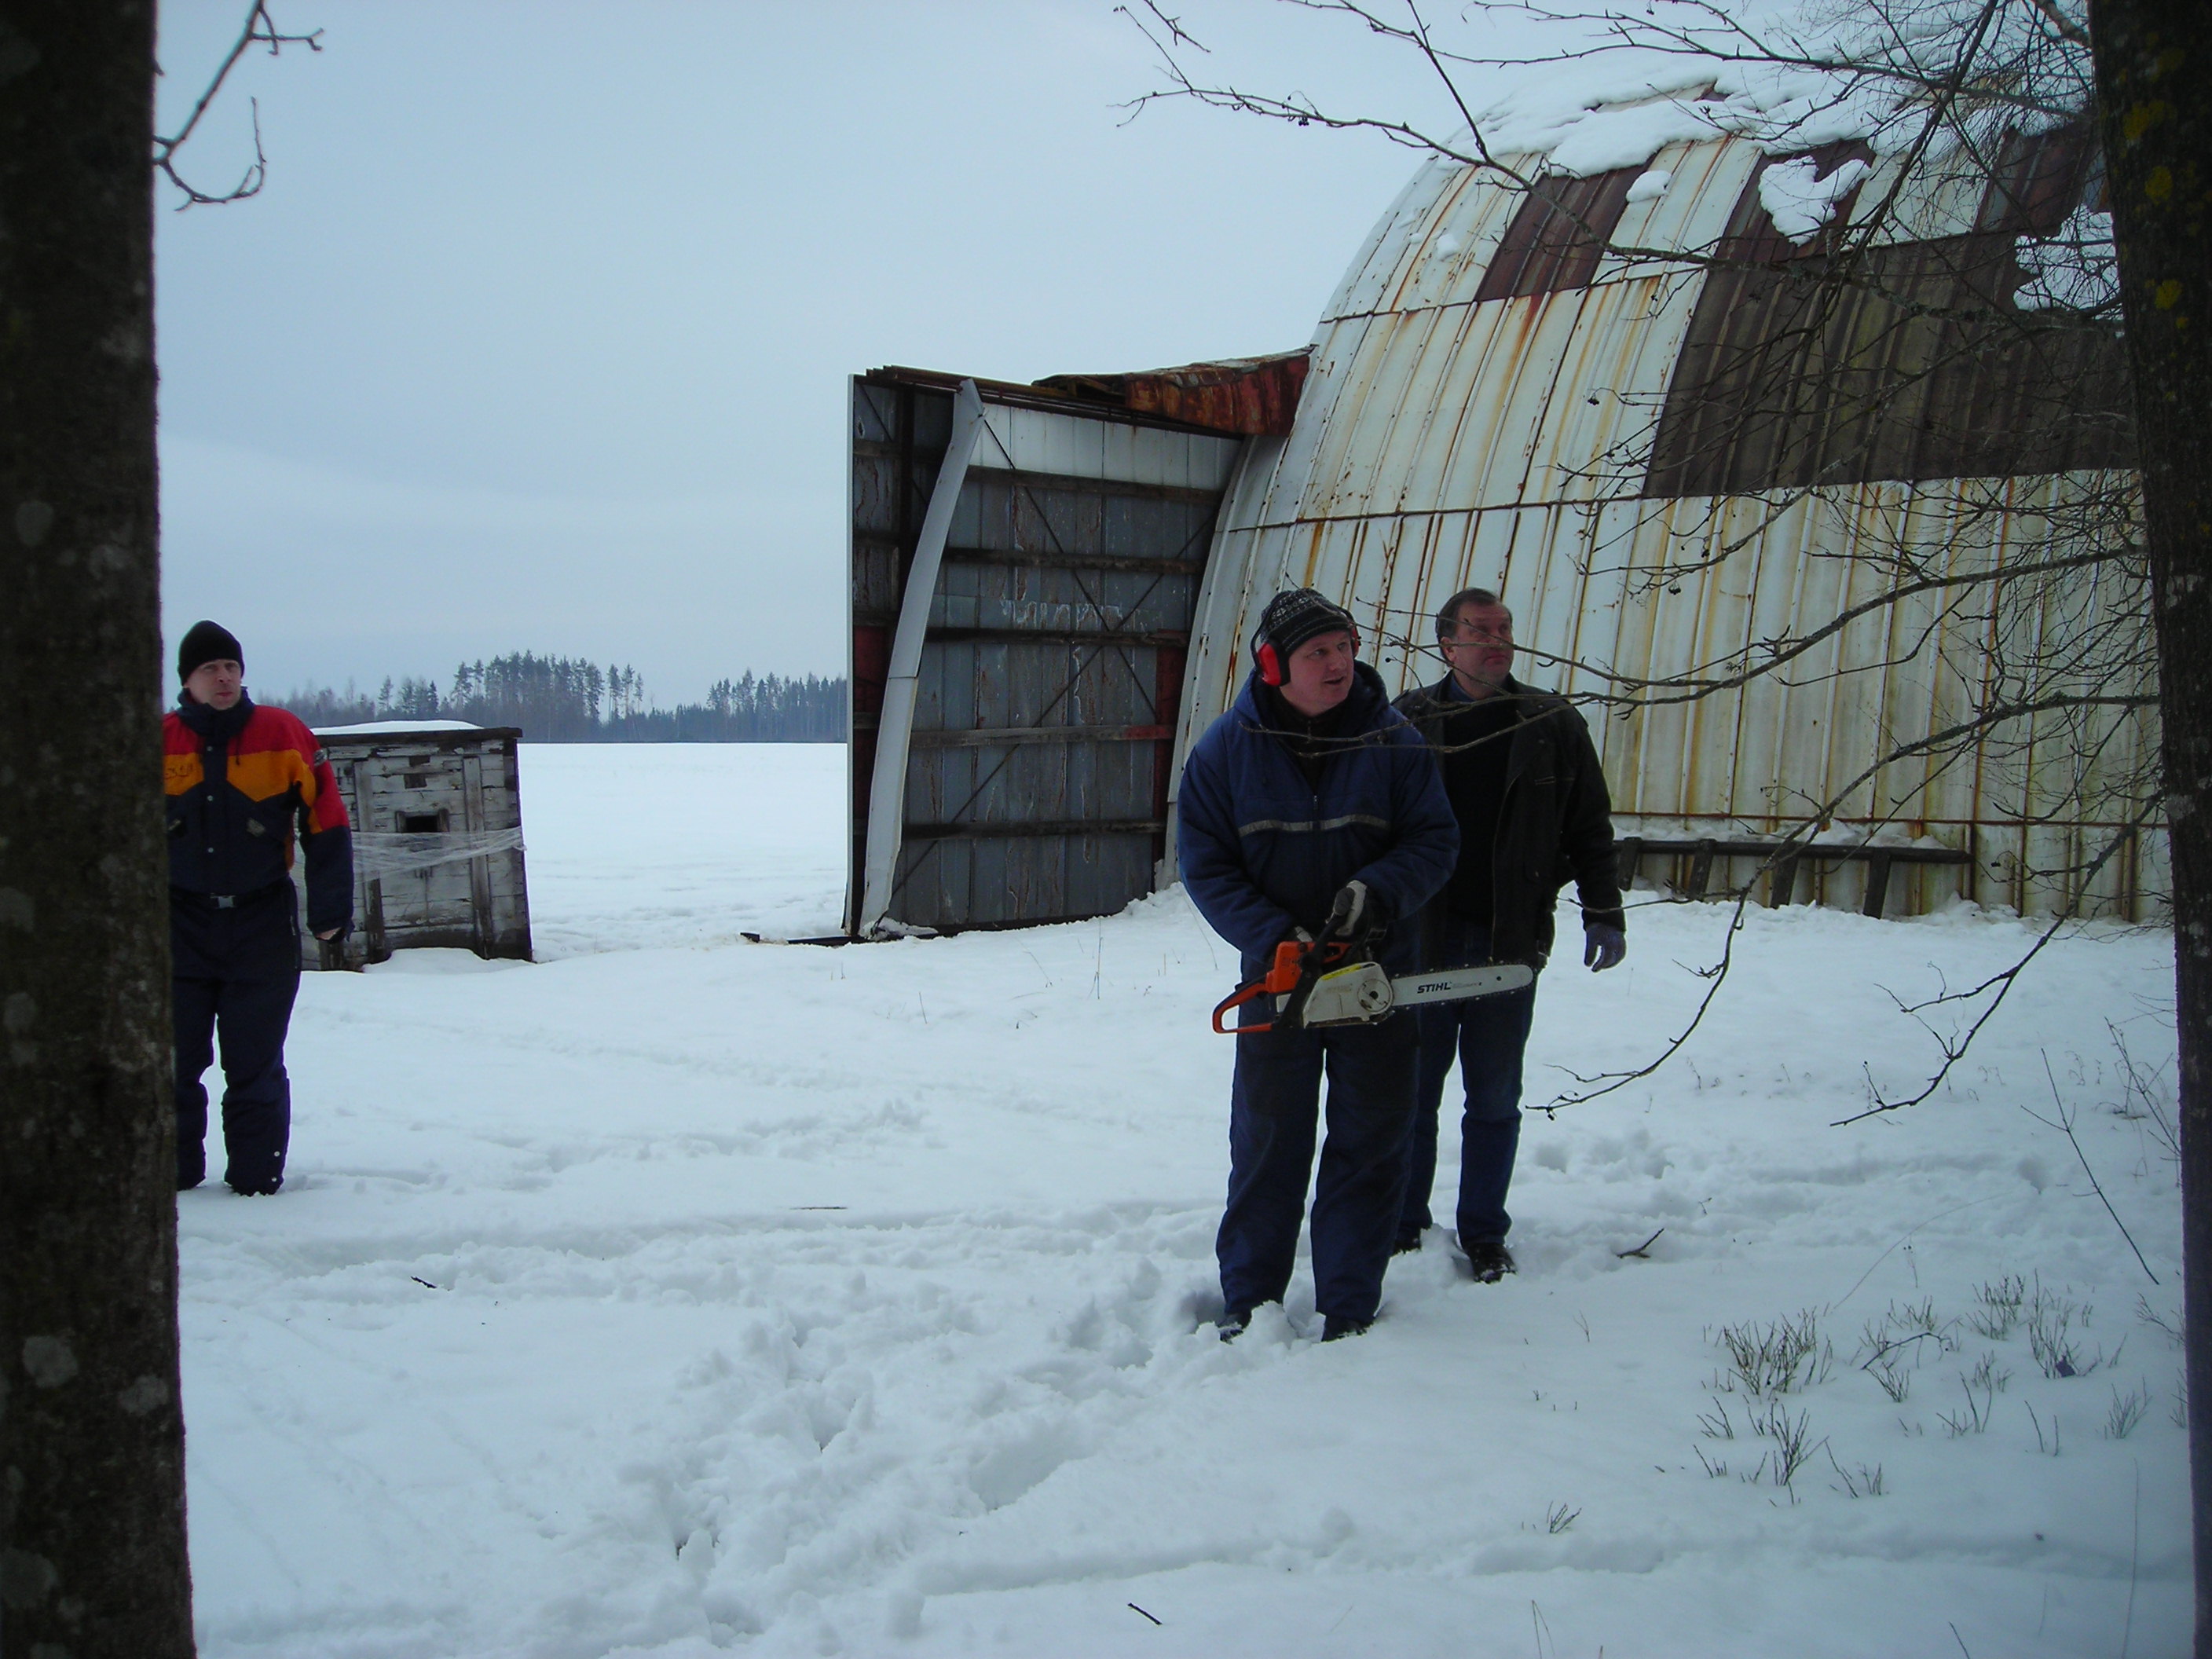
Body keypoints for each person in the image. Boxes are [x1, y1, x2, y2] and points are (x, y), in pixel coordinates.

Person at [1177, 588, 1459, 1340]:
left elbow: (1434, 841)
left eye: (1344, 647)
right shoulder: (1223, 755)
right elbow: (1205, 866)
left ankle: (1349, 1303)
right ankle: (1249, 1299)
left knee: (1371, 1144)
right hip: (1278, 986)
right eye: (1317, 653)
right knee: (1267, 1145)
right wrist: (1275, 937)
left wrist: (1378, 895)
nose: (1338, 664)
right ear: (1274, 666)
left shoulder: (1394, 742)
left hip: (1375, 979)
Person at [1390, 588, 1625, 1279]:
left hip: (1508, 942)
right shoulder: (1407, 722)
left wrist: (1603, 908)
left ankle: (1484, 1232)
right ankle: (1404, 1222)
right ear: (1446, 644)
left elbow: (1590, 826)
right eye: (1479, 631)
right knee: (1413, 1095)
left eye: (1504, 630)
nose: (1496, 641)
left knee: (1493, 1098)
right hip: (1422, 942)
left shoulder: (1551, 723)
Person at [165, 621, 353, 1195]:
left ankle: (255, 1180)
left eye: (231, 668)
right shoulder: (159, 740)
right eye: (209, 670)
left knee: (254, 1062)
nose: (223, 679)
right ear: (187, 681)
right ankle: (171, 1175)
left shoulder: (282, 732)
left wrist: (330, 909)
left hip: (261, 924)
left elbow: (326, 821)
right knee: (173, 1062)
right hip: (178, 925)